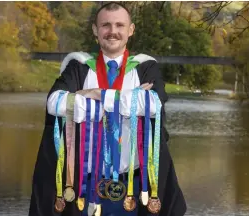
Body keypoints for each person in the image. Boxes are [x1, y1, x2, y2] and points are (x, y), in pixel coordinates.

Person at [29, 2, 186, 216]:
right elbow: (55, 102)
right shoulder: (79, 66)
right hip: (84, 187)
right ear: (95, 30)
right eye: (106, 25)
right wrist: (128, 102)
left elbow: (153, 104)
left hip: (135, 188)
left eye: (120, 25)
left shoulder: (145, 67)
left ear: (130, 30)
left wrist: (95, 94)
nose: (113, 31)